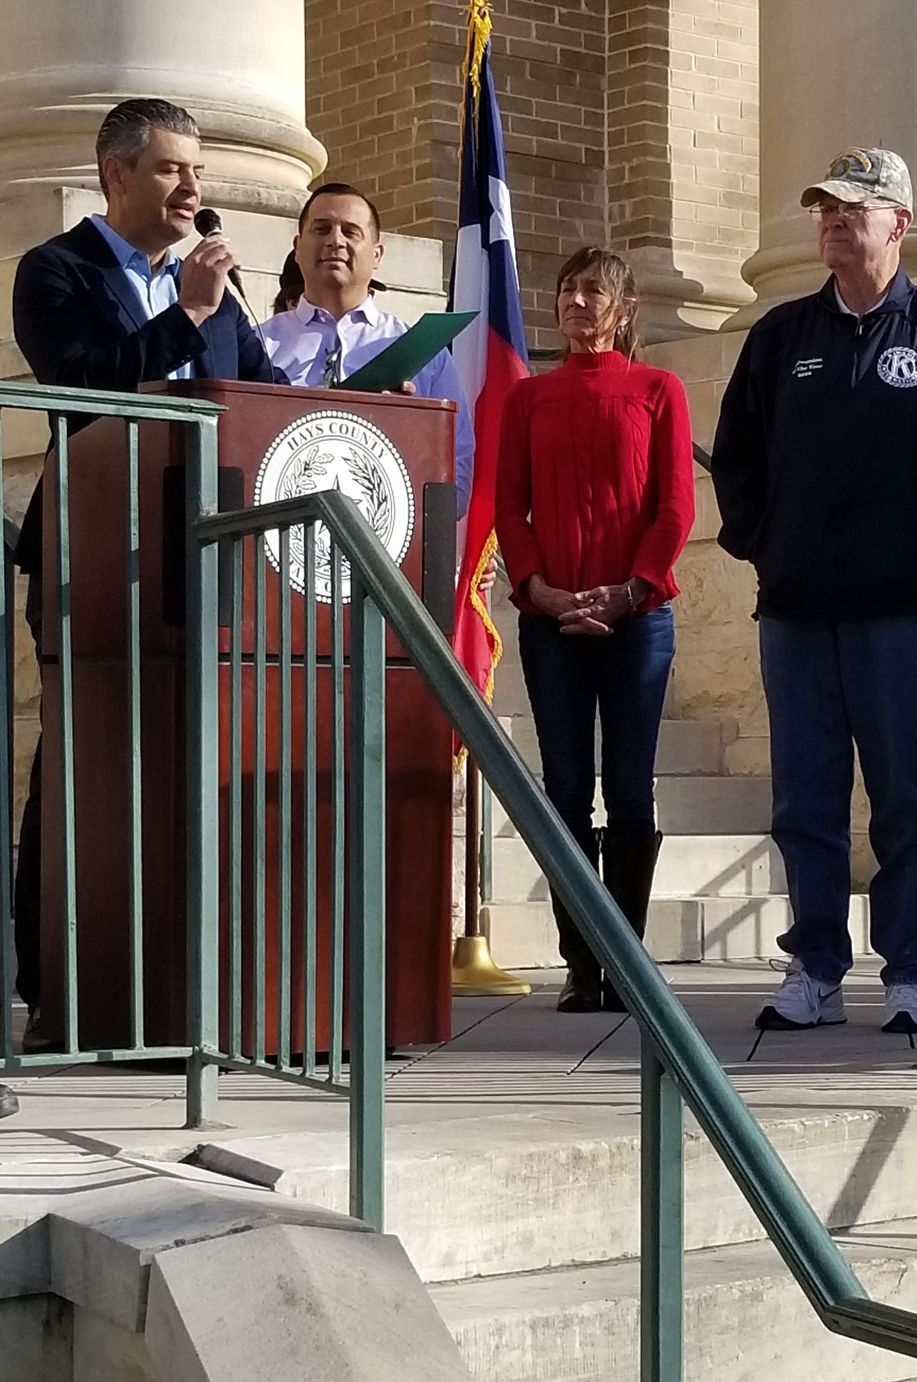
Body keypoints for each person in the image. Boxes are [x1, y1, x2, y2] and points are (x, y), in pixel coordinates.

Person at [712, 147, 917, 1038]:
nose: (835, 221)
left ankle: (913, 973)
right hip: (798, 610)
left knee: (905, 798)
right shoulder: (779, 337)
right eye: (825, 209)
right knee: (805, 799)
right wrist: (766, 545)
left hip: (900, 611)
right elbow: (738, 458)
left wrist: (912, 551)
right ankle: (814, 969)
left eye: (854, 207)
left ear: (899, 222)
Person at [10, 97, 279, 1055]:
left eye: (197, 171)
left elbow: (257, 400)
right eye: (172, 170)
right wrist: (187, 319)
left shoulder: (216, 289)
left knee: (192, 764)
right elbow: (78, 385)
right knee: (83, 769)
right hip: (95, 558)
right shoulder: (56, 271)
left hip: (201, 559)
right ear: (117, 173)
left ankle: (189, 987)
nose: (192, 190)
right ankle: (59, 992)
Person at [496, 246, 695, 1013]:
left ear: (623, 309)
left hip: (636, 620)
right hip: (553, 622)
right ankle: (582, 964)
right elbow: (510, 508)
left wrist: (628, 590)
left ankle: (628, 960)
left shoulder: (658, 390)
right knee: (566, 792)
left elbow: (674, 505)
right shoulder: (528, 399)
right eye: (567, 290)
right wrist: (540, 589)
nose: (577, 303)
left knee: (632, 793)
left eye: (593, 291)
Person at [259, 183, 475, 515]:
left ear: (376, 255)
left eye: (350, 231)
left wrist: (406, 435)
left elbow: (456, 480)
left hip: (388, 553)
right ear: (298, 247)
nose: (335, 240)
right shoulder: (260, 345)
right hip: (279, 541)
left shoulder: (422, 353)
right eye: (321, 229)